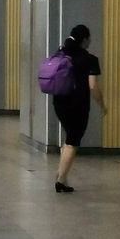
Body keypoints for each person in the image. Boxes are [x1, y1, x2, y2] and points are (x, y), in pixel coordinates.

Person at [51, 24, 107, 193]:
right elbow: (93, 86)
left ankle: (62, 177)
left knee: (69, 139)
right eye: (89, 38)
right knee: (72, 142)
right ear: (85, 40)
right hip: (78, 105)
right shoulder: (90, 59)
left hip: (59, 102)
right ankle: (60, 180)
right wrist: (102, 105)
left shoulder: (61, 54)